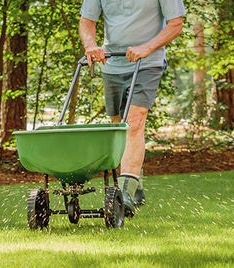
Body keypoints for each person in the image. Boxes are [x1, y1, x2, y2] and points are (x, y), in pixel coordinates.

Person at [79, 0, 186, 215]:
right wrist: (90, 45)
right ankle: (136, 184)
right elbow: (86, 21)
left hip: (147, 62)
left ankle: (125, 193)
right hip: (112, 64)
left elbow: (176, 24)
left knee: (134, 123)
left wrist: (147, 47)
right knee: (119, 128)